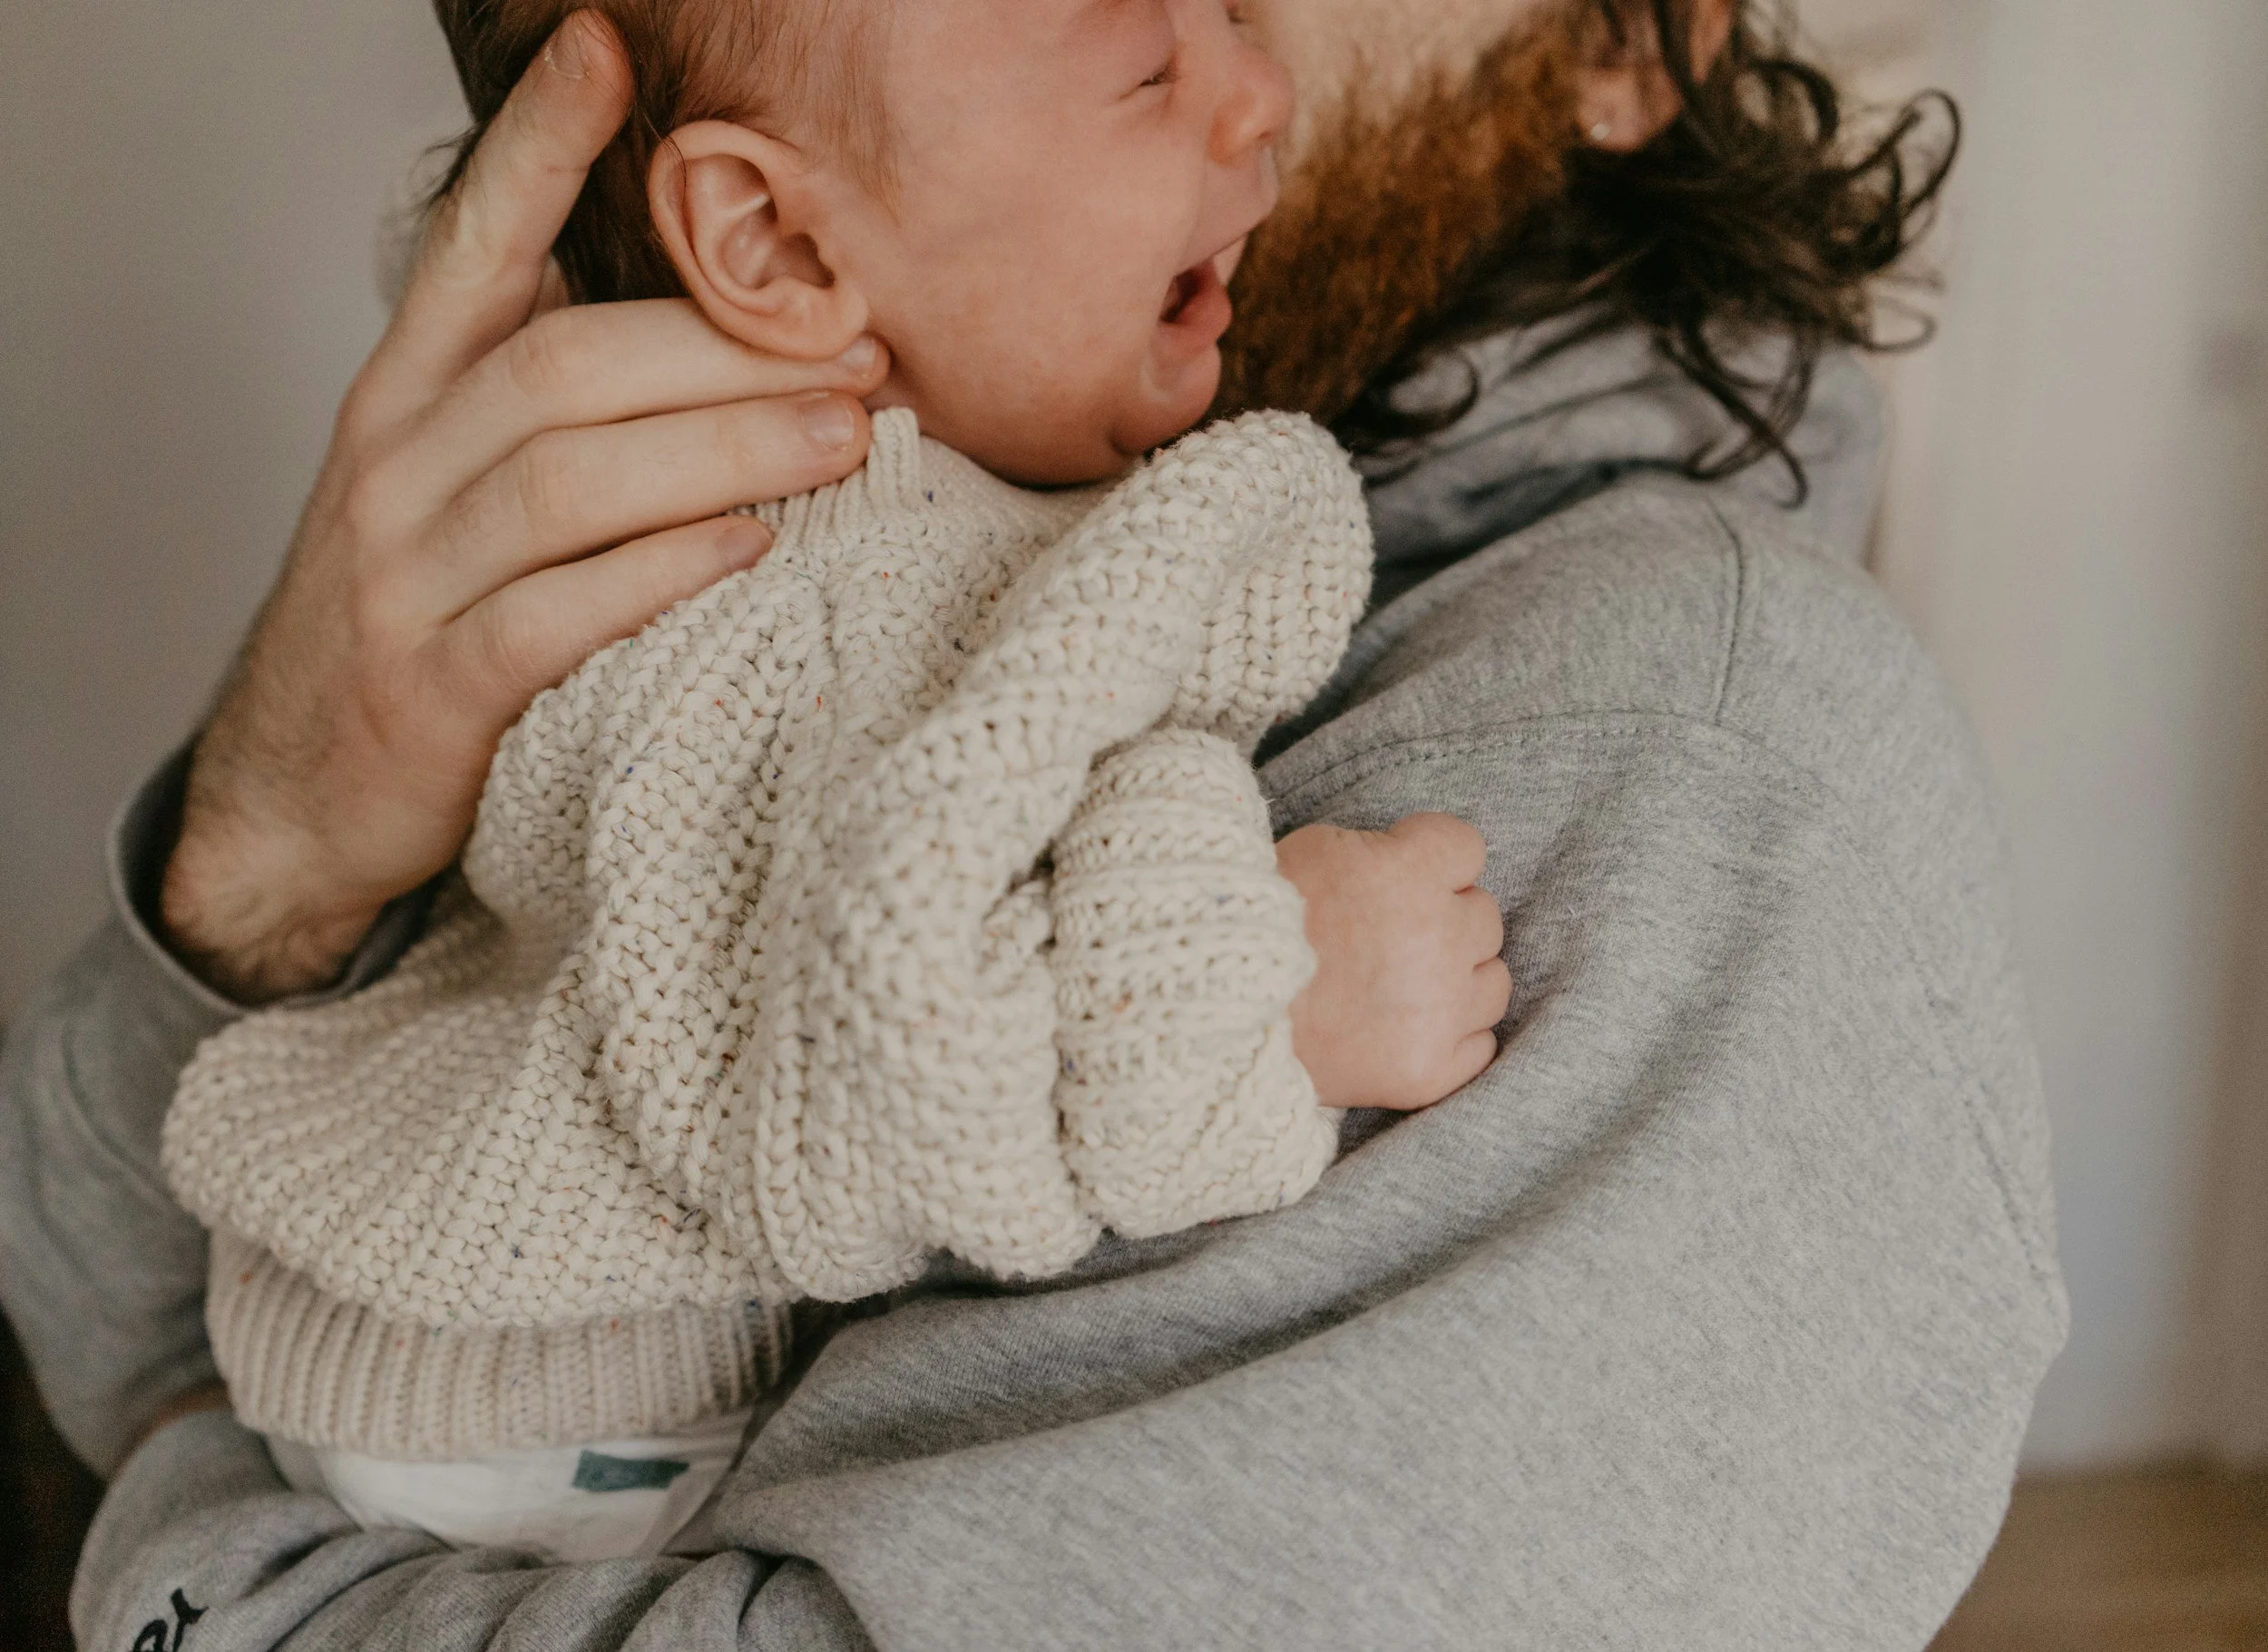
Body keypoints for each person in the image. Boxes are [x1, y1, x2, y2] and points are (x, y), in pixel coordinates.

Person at [2, 0, 2068, 1646]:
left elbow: (149, 1402)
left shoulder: (1678, 788)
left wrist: (195, 1542)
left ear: (1631, 33)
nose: (1223, 73)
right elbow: (100, 1287)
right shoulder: (772, 535)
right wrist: (270, 852)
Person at [162, 0, 1506, 1563]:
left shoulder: (810, 490)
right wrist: (1262, 987)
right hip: (558, 1419)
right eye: (1147, 68)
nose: (1261, 85)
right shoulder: (816, 588)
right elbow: (877, 1037)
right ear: (780, 244)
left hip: (426, 1336)